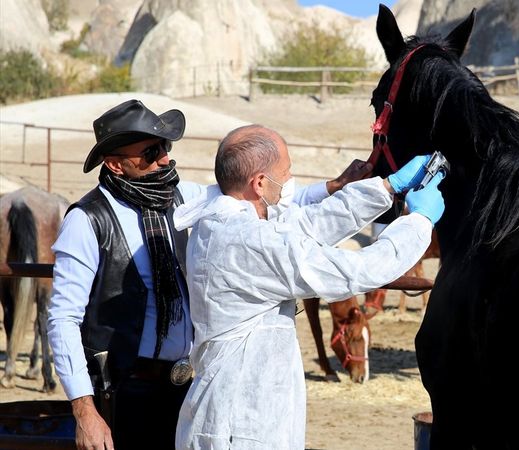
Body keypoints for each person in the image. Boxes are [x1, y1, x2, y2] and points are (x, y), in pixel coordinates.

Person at [47, 101, 369, 450]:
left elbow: (253, 193)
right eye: (151, 152)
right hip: (123, 392)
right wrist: (84, 412)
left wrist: (333, 186)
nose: (165, 160)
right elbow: (63, 319)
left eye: (165, 148)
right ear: (115, 164)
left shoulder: (182, 197)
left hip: (185, 386)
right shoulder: (86, 220)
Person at [173, 124, 445, 449]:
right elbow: (354, 271)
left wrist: (386, 188)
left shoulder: (226, 221)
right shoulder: (246, 241)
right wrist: (419, 222)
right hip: (239, 422)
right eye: (285, 173)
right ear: (259, 183)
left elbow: (308, 223)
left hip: (240, 412)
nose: (289, 181)